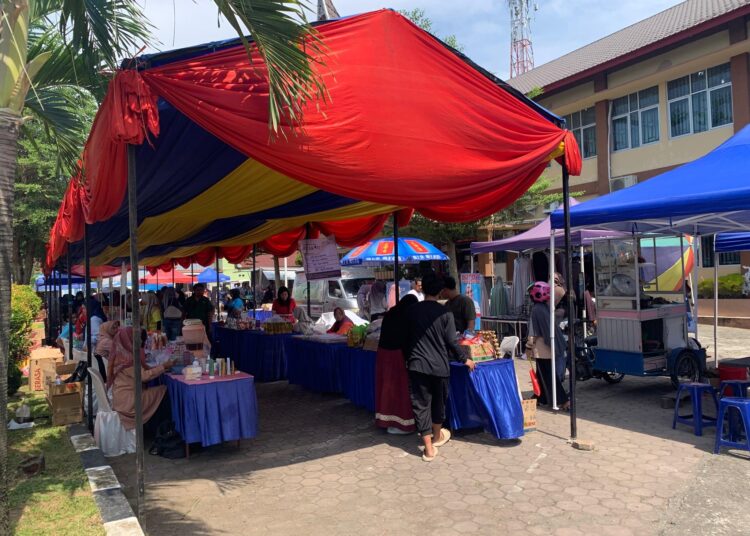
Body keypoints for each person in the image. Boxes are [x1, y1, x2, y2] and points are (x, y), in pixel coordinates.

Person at [404, 275, 475, 462]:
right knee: (438, 403)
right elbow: (452, 341)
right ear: (440, 291)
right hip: (439, 366)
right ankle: (436, 437)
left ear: (423, 289)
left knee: (421, 404)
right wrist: (464, 358)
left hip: (417, 364)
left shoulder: (411, 311)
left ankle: (428, 447)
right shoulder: (445, 313)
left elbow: (405, 338)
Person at [108, 327, 175, 432]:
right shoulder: (127, 360)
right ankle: (161, 431)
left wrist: (162, 366)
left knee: (157, 391)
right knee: (164, 390)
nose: (139, 341)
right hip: (129, 402)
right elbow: (144, 376)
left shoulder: (122, 354)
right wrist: (164, 366)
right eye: (135, 338)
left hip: (122, 397)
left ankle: (156, 428)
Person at [375, 294, 418, 434]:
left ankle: (385, 421)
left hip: (383, 353)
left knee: (386, 388)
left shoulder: (391, 313)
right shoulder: (406, 316)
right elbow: (407, 339)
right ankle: (402, 424)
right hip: (396, 355)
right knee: (399, 389)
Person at [526, 281, 569, 410]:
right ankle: (540, 397)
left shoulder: (536, 310)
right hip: (550, 346)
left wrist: (528, 346)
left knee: (548, 376)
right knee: (543, 374)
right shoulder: (545, 308)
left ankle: (563, 400)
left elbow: (533, 332)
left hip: (541, 349)